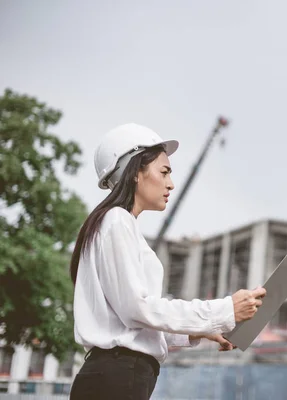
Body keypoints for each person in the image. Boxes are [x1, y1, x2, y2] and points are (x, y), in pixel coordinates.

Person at [68, 123, 266, 400]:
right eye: (164, 172)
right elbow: (136, 310)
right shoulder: (116, 220)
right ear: (135, 172)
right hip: (118, 376)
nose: (171, 183)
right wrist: (223, 310)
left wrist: (204, 330)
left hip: (123, 376)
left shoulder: (120, 226)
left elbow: (136, 322)